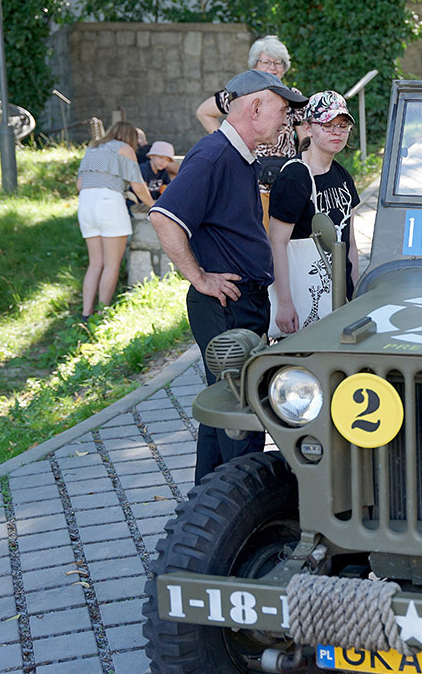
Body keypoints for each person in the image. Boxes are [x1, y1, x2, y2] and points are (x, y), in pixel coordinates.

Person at [151, 69, 309, 484]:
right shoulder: (215, 154)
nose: (286, 121)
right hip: (226, 306)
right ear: (255, 106)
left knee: (221, 417)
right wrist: (200, 278)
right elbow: (165, 218)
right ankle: (244, 519)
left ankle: (206, 510)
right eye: (282, 110)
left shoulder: (238, 156)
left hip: (239, 305)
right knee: (242, 421)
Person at [268, 91, 362, 336]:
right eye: (327, 125)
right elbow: (277, 243)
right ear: (308, 128)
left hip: (340, 298)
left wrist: (354, 293)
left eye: (343, 126)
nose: (336, 132)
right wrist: (285, 304)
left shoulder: (342, 175)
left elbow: (349, 242)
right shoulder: (294, 177)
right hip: (306, 297)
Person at [194, 35, 306, 229]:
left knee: (286, 239)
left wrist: (305, 168)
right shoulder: (241, 93)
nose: (273, 67)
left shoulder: (292, 96)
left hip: (285, 178)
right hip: (252, 177)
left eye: (278, 63)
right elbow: (204, 112)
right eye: (267, 62)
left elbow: (305, 136)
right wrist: (231, 144)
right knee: (257, 234)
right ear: (255, 65)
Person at [76, 120, 155, 321]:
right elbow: (139, 187)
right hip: (108, 203)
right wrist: (155, 206)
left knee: (95, 264)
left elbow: (79, 184)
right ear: (130, 138)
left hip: (85, 203)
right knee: (112, 264)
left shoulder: (92, 148)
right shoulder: (124, 148)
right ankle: (103, 313)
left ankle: (86, 314)